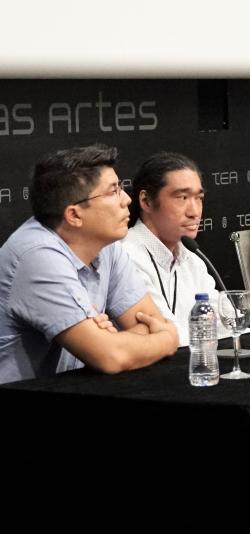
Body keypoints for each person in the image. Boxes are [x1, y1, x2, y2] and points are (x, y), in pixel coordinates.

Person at [0, 144, 178, 384]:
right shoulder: (36, 255)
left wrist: (109, 340)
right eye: (112, 191)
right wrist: (167, 340)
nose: (126, 199)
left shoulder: (108, 245)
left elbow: (149, 323)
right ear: (74, 215)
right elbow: (111, 357)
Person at [122, 152, 229, 346]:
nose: (194, 212)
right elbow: (164, 336)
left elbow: (227, 324)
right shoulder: (125, 256)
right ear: (146, 201)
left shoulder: (192, 259)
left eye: (199, 198)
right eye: (182, 197)